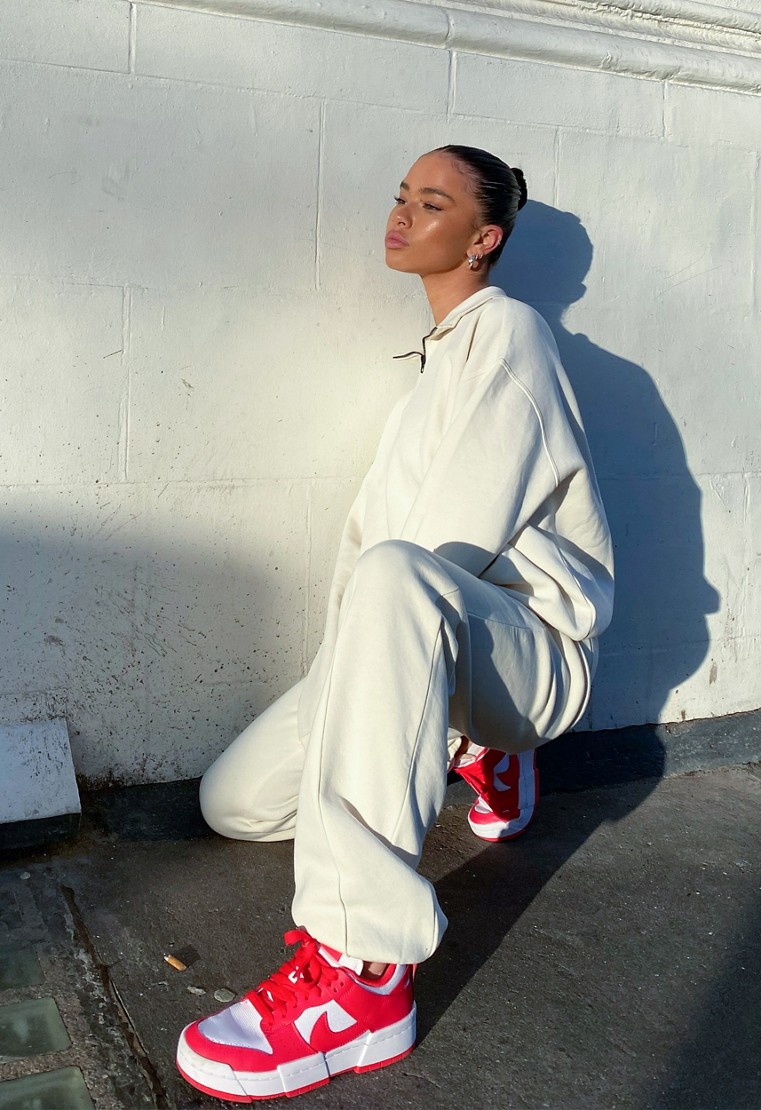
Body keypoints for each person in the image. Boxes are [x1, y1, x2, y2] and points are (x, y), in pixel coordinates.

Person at [176, 145, 614, 1102]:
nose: (402, 214)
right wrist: (350, 682)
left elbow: (444, 550)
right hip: (418, 633)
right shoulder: (434, 362)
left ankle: (361, 973)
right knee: (233, 803)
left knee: (394, 574)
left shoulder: (510, 336)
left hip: (526, 655)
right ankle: (470, 750)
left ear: (483, 238)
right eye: (401, 197)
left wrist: (389, 662)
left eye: (432, 202)